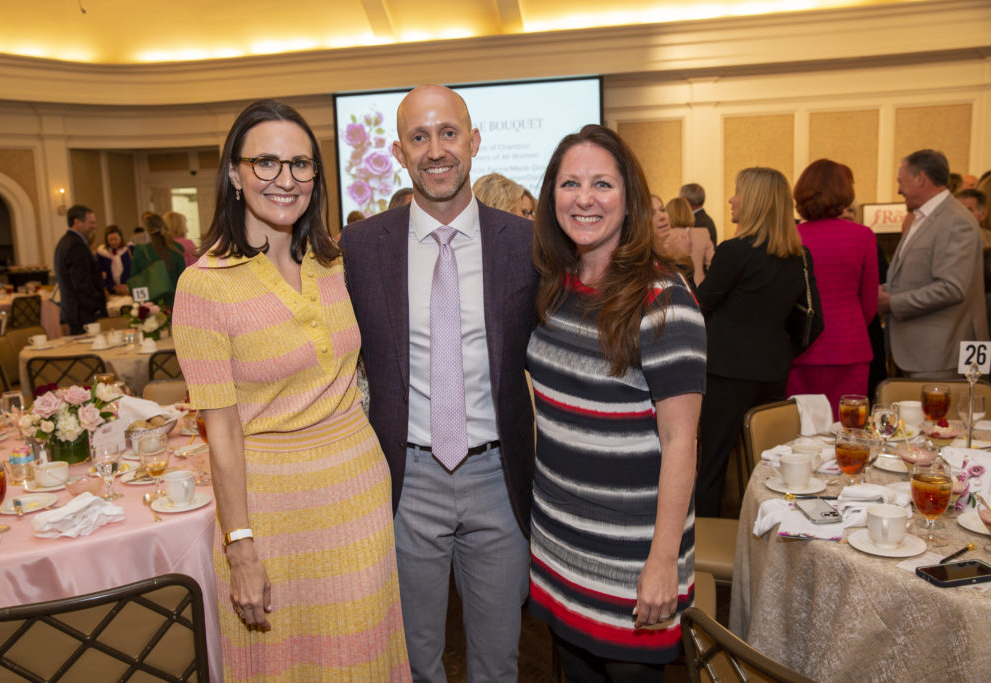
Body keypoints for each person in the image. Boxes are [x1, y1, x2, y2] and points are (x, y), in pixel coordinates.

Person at [172, 98, 410, 681]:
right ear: (233, 172)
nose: (287, 180)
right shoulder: (202, 287)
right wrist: (241, 546)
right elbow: (221, 434)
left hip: (358, 494)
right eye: (267, 163)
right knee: (284, 663)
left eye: (301, 165)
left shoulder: (334, 263)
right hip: (272, 507)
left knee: (365, 657)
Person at [342, 84, 537, 682]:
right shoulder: (360, 247)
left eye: (448, 133)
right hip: (406, 480)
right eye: (418, 137)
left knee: (498, 661)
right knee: (412, 661)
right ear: (399, 153)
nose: (435, 150)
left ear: (473, 142)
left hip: (498, 477)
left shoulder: (527, 244)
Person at [527, 124, 704, 681]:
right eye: (569, 183)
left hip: (632, 559)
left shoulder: (664, 301)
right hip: (561, 546)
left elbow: (682, 441)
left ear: (629, 199)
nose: (584, 198)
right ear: (550, 195)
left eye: (602, 183)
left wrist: (662, 564)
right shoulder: (555, 288)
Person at [694, 167, 820, 517]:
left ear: (754, 201)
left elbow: (700, 305)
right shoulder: (800, 257)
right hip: (772, 371)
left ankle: (704, 542)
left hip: (725, 372)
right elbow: (812, 321)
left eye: (737, 192)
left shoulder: (735, 251)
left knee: (712, 465)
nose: (732, 200)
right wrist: (781, 351)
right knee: (768, 466)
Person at [879, 149, 988, 377]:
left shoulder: (955, 220)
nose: (898, 190)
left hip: (939, 357)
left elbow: (952, 288)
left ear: (921, 178)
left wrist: (893, 301)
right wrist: (889, 290)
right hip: (920, 354)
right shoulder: (925, 217)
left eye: (901, 181)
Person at [785, 159, 878, 416]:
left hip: (800, 349)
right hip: (850, 346)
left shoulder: (791, 237)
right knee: (848, 431)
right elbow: (869, 306)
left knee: (801, 431)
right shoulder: (863, 236)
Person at [54, 204, 107, 334]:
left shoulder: (64, 242)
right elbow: (82, 282)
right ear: (77, 222)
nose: (95, 226)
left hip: (75, 311)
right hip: (84, 313)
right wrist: (96, 308)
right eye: (91, 223)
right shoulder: (75, 244)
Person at [129, 213, 187, 308]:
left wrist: (141, 306)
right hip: (174, 303)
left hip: (150, 305)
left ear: (147, 231)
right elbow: (183, 279)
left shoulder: (141, 251)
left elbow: (135, 280)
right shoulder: (177, 248)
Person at [666, 196, 713, 284]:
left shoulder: (664, 236)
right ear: (689, 213)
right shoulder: (703, 233)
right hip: (699, 286)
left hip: (672, 285)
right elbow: (713, 264)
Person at [95, 225, 133, 295]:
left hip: (127, 289)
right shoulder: (102, 253)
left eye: (116, 239)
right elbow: (100, 272)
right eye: (110, 240)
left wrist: (125, 284)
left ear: (120, 238)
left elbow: (130, 269)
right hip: (110, 291)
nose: (113, 242)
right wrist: (113, 286)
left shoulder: (127, 250)